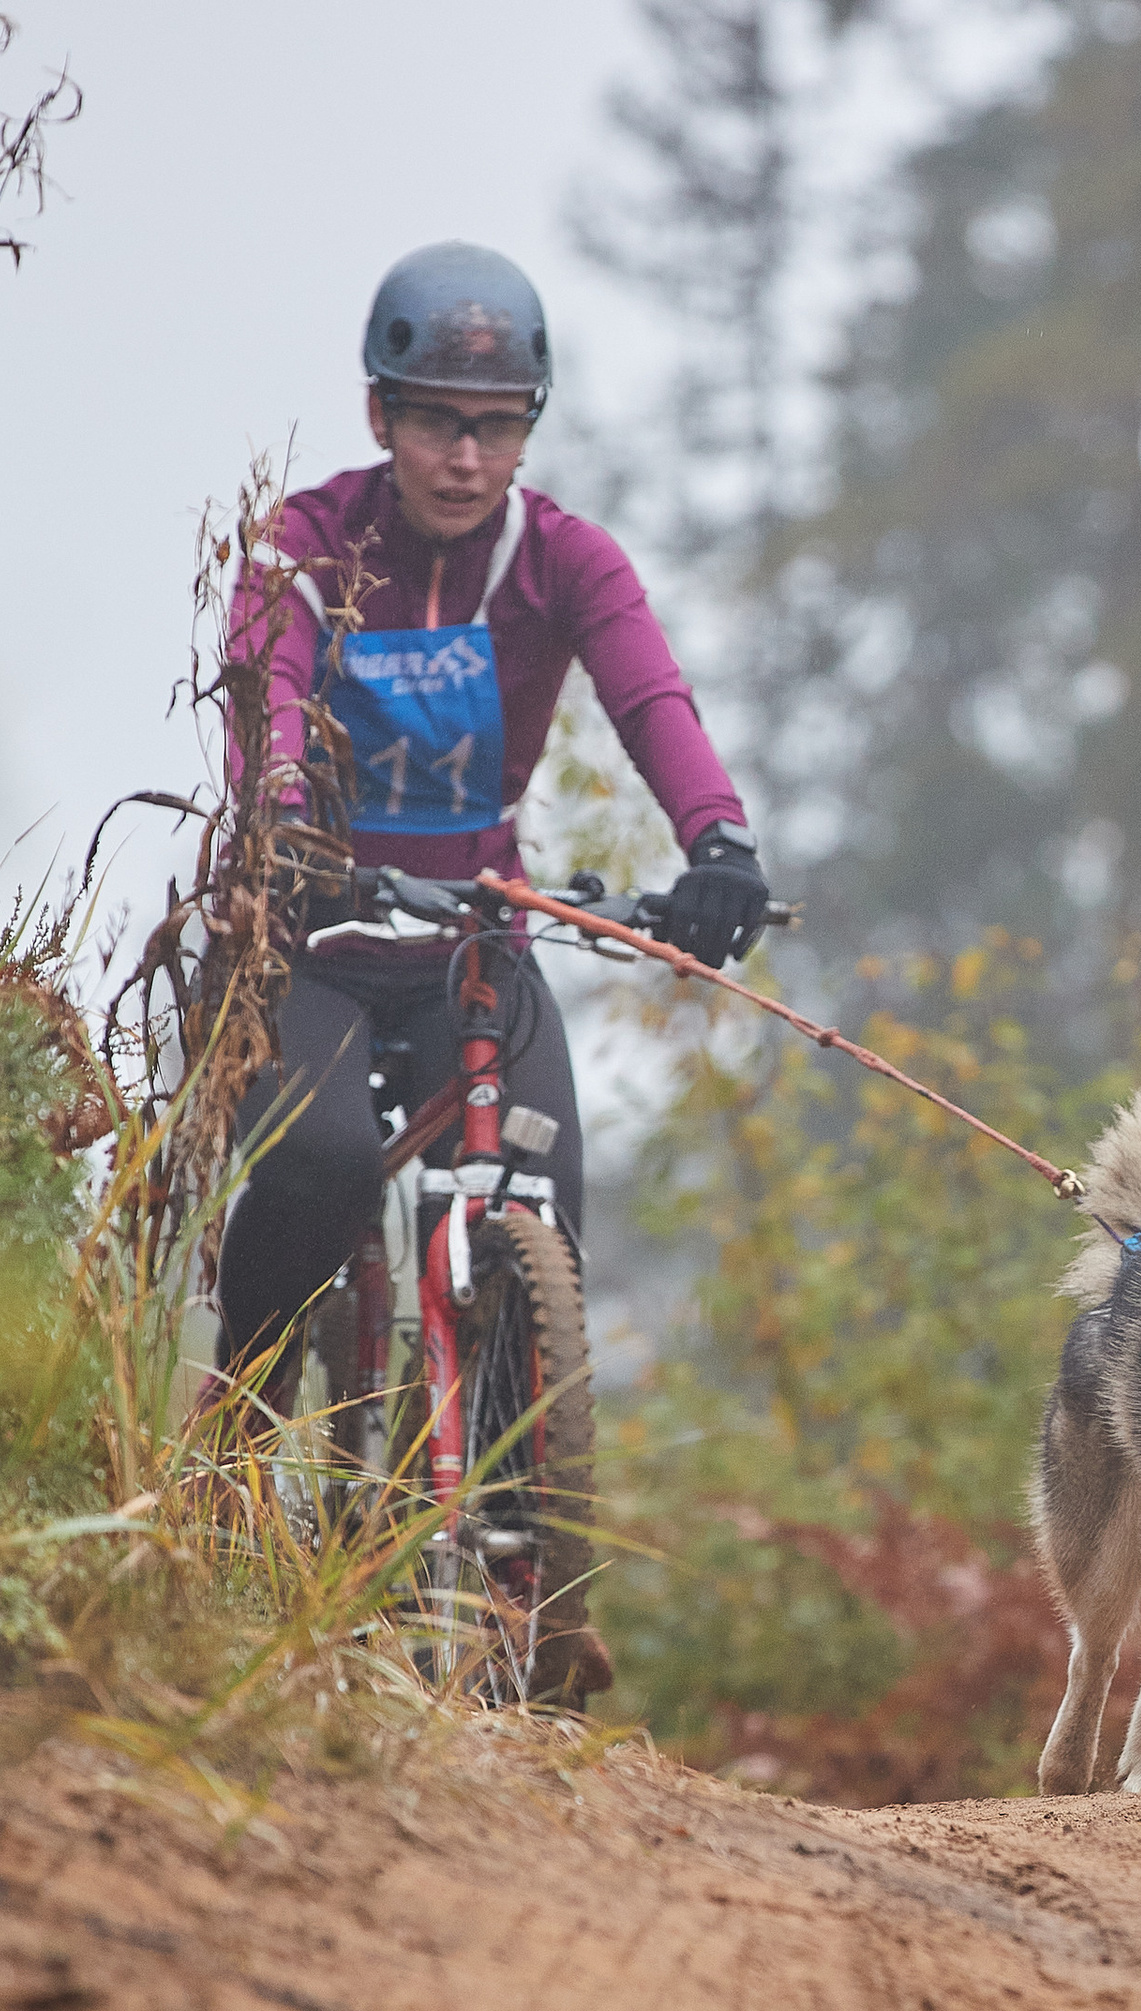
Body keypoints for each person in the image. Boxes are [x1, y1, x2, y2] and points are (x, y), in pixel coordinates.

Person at [217, 240, 766, 1398]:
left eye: (500, 427)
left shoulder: (565, 562)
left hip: (471, 938)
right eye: (436, 424)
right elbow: (263, 685)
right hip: (309, 939)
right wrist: (278, 811)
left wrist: (718, 843)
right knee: (323, 1166)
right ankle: (236, 1441)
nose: (467, 461)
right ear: (380, 413)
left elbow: (650, 699)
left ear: (529, 427)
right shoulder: (307, 546)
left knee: (542, 1202)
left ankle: (511, 1548)